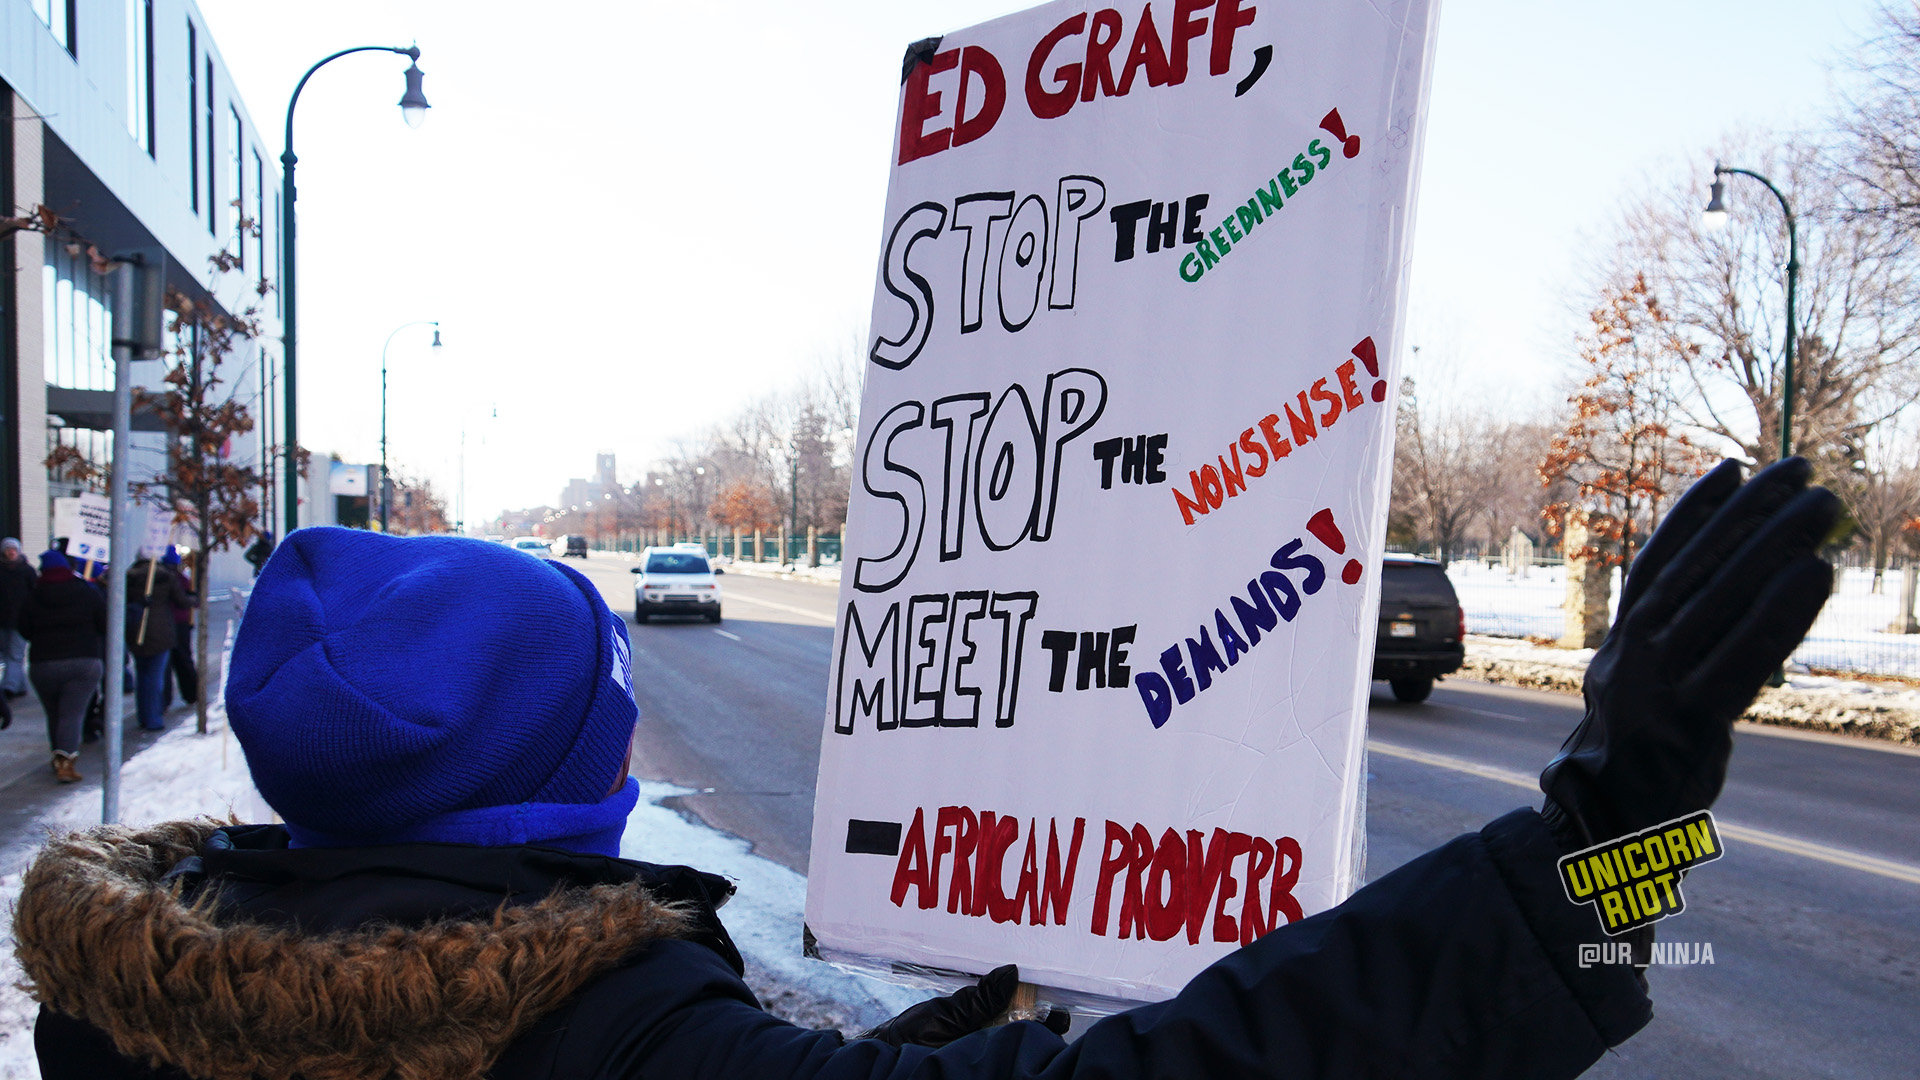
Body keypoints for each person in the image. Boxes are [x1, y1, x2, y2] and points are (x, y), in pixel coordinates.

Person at [15, 459, 1837, 1079]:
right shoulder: (600, 1036)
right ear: (550, 772)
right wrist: (1614, 830)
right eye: (607, 711)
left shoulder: (131, 1003)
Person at [15, 551, 106, 784]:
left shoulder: (33, 596)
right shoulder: (86, 592)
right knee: (72, 714)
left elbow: (24, 629)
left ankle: (58, 756)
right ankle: (66, 761)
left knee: (54, 713)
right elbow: (104, 623)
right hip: (83, 661)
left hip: (43, 663)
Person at [124, 552, 188, 731]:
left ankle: (143, 716)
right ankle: (153, 718)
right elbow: (181, 600)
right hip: (161, 631)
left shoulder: (129, 577)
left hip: (136, 630)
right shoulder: (165, 576)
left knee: (142, 675)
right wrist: (193, 598)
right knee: (154, 678)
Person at [159, 547, 198, 709]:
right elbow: (185, 600)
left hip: (163, 625)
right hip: (179, 623)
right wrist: (193, 598)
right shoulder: (179, 579)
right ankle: (192, 694)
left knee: (164, 664)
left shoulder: (158, 577)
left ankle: (163, 700)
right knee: (183, 660)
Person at [0, 537, 36, 698]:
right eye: (8, 549)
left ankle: (9, 687)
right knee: (8, 654)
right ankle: (20, 686)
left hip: (20, 620)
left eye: (13, 549)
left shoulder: (27, 571)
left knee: (15, 654)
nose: (11, 552)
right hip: (2, 620)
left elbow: (34, 593)